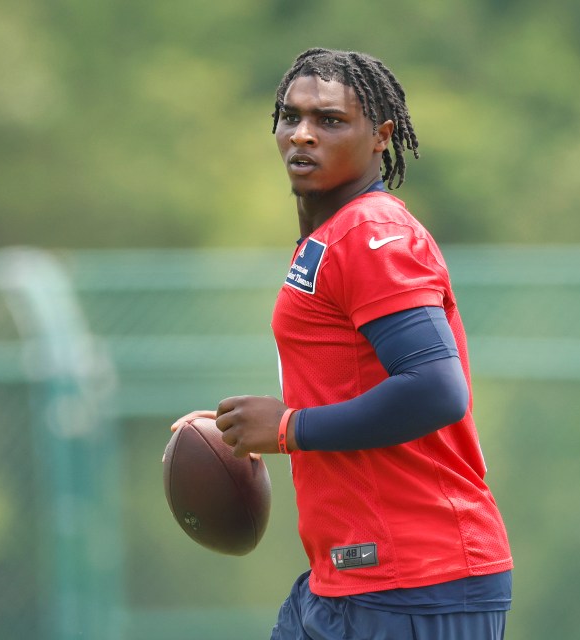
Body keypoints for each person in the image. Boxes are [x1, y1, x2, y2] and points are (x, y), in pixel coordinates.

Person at [172, 48, 513, 640]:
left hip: (416, 584)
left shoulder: (372, 231)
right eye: (290, 116)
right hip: (348, 579)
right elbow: (348, 380)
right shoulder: (330, 237)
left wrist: (287, 429)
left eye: (330, 120)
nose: (303, 133)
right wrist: (239, 427)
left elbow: (436, 389)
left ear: (381, 136)